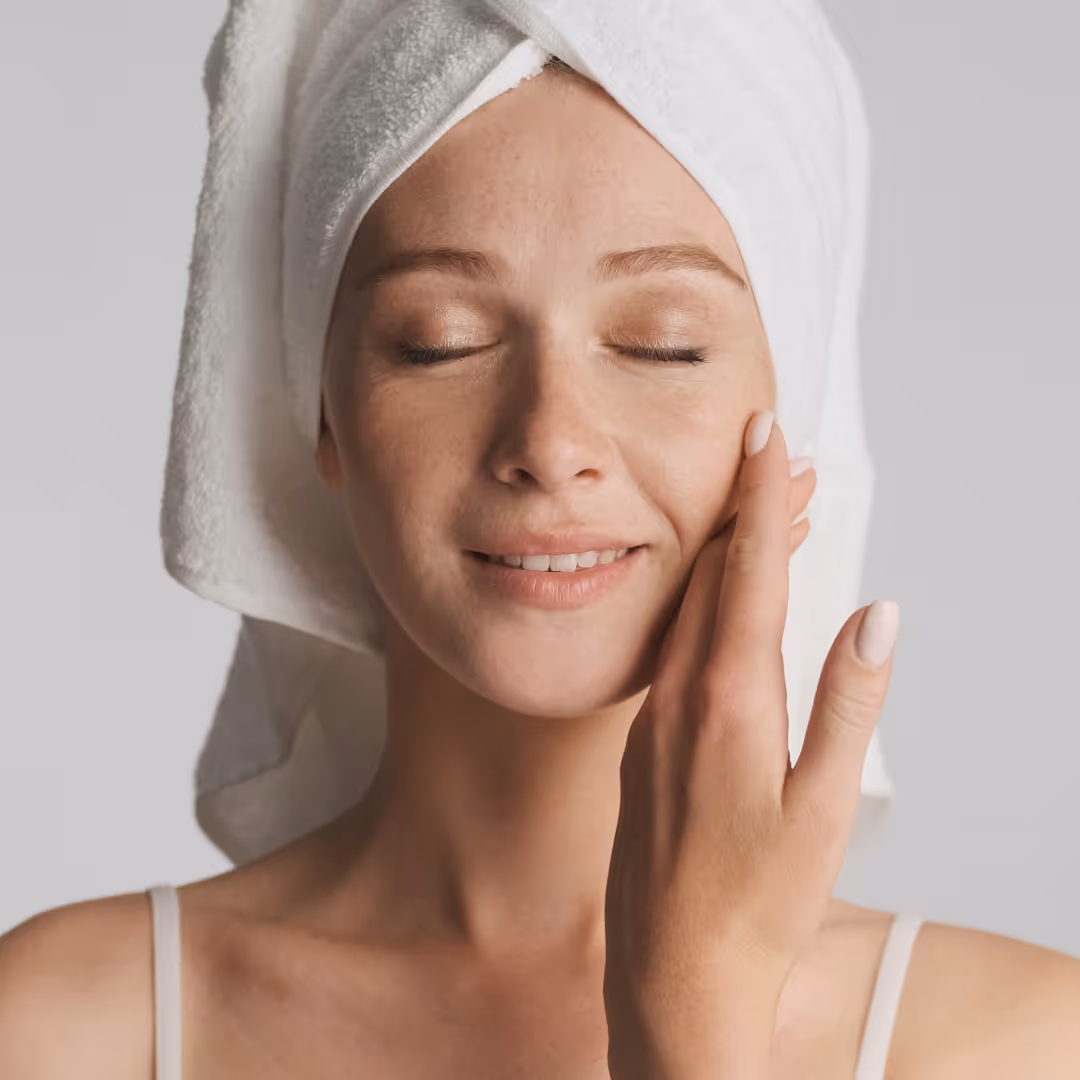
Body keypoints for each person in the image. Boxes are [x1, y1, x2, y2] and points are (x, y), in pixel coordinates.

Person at [1, 49, 1078, 1080]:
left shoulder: (1024, 1045)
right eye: (439, 341)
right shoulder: (61, 1028)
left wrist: (695, 1029)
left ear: (794, 404)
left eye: (662, 343)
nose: (552, 443)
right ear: (319, 410)